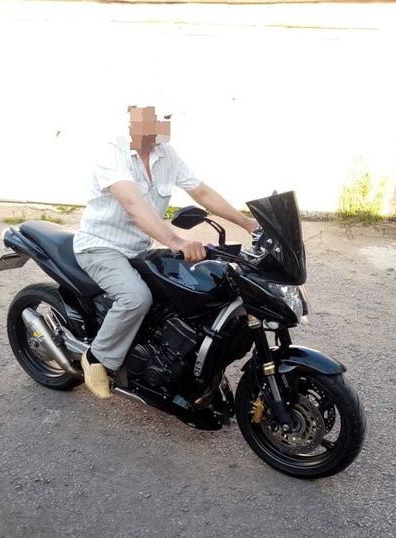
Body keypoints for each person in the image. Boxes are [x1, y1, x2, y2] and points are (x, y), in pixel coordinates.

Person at [73, 105, 258, 399]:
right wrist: (176, 241)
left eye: (166, 117)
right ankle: (97, 358)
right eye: (157, 117)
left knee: (183, 295)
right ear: (134, 117)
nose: (163, 123)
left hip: (138, 248)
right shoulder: (113, 152)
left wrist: (249, 224)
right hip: (101, 246)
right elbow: (133, 205)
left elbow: (202, 192)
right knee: (136, 298)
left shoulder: (165, 154)